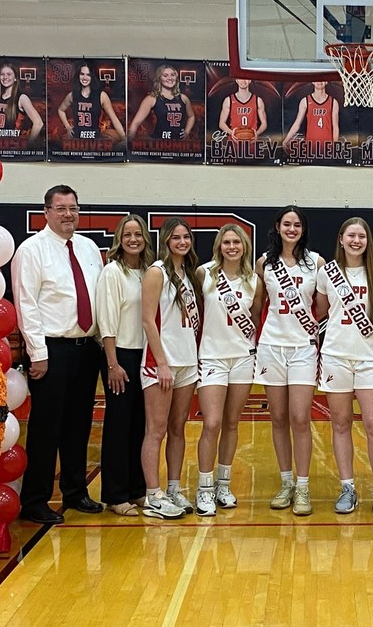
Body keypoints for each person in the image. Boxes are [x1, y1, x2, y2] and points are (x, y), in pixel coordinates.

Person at [11, 185, 104, 524]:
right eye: (61, 208)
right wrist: (37, 353)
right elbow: (26, 304)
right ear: (46, 211)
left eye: (73, 208)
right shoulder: (32, 250)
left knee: (79, 425)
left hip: (86, 348)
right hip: (51, 350)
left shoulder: (89, 247)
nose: (68, 214)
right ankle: (35, 501)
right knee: (46, 427)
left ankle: (76, 491)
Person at [315, 217, 373, 516]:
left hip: (370, 357)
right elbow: (321, 311)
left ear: (368, 240)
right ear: (340, 238)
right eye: (351, 235)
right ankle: (347, 486)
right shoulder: (328, 273)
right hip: (336, 355)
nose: (356, 241)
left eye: (362, 236)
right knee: (340, 424)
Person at [255, 206, 324, 516]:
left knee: (300, 418)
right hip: (271, 346)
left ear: (303, 229)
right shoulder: (263, 264)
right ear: (278, 227)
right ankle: (286, 483)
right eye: (287, 224)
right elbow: (257, 306)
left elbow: (321, 306)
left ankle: (304, 487)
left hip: (303, 349)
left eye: (297, 224)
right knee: (279, 418)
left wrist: (307, 326)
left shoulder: (317, 263)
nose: (292, 229)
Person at [195, 224, 264, 516]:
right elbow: (196, 310)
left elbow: (256, 315)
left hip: (242, 358)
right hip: (212, 356)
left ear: (245, 246)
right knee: (212, 423)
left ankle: (223, 484)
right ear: (219, 245)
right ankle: (204, 487)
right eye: (227, 242)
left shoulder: (254, 281)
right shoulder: (204, 273)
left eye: (237, 242)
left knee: (232, 423)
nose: (232, 247)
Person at [139, 217, 202, 520]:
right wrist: (161, 362)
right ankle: (153, 495)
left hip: (187, 361)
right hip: (160, 363)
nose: (181, 242)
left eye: (186, 237)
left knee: (178, 429)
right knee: (157, 430)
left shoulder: (188, 273)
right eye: (175, 237)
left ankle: (174, 489)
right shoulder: (157, 272)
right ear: (165, 240)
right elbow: (148, 320)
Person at [96, 214, 154, 517]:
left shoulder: (147, 272)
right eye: (127, 234)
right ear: (120, 239)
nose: (133, 239)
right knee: (118, 426)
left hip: (145, 357)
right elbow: (106, 320)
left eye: (138, 234)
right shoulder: (112, 272)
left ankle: (137, 489)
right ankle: (115, 494)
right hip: (120, 355)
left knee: (139, 426)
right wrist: (112, 363)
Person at [0, 62, 44, 145]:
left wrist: (28, 145)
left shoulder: (22, 98)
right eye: (2, 74)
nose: (5, 77)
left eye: (9, 74)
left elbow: (38, 123)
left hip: (12, 148)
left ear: (15, 78)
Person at [57, 61, 126, 141]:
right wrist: (68, 127)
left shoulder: (101, 96)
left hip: (95, 142)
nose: (85, 78)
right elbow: (60, 110)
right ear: (78, 76)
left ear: (92, 76)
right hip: (76, 141)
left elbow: (114, 119)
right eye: (82, 74)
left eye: (88, 74)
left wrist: (124, 139)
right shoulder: (72, 95)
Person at [128, 64, 195, 141]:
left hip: (179, 145)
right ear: (159, 78)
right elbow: (136, 122)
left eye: (172, 75)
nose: (170, 78)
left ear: (176, 77)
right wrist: (129, 143)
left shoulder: (184, 98)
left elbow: (191, 116)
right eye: (165, 76)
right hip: (159, 144)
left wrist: (187, 131)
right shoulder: (151, 99)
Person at [283, 81, 339, 147]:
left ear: (326, 82)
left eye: (323, 79)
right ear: (313, 82)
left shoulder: (333, 102)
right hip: (310, 147)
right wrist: (285, 141)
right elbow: (296, 125)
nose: (320, 82)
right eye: (317, 79)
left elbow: (335, 127)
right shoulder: (305, 101)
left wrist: (335, 146)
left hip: (327, 147)